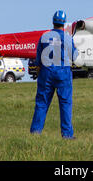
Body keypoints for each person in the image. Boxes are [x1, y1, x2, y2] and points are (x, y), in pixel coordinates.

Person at [30, 10, 78, 139]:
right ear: (64, 23)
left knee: (42, 103)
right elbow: (74, 56)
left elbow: (38, 58)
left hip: (46, 73)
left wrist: (39, 71)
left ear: (53, 22)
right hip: (63, 73)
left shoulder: (44, 36)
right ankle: (67, 135)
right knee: (65, 103)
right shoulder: (68, 38)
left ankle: (35, 133)